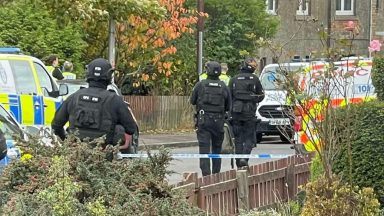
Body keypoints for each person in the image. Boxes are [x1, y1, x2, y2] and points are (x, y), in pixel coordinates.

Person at [51, 58, 137, 148]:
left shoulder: (74, 97)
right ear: (109, 76)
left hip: (75, 153)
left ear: (88, 74)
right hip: (103, 155)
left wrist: (67, 141)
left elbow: (56, 126)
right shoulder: (115, 100)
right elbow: (131, 128)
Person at [190, 61, 231, 176]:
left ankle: (206, 175)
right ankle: (216, 175)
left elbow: (192, 101)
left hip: (204, 121)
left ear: (207, 70)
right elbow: (229, 106)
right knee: (217, 149)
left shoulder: (200, 84)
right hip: (219, 121)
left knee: (204, 149)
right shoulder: (223, 86)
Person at [229, 57, 264, 168]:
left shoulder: (234, 79)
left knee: (238, 139)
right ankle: (245, 158)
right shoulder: (255, 79)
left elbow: (229, 96)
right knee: (249, 137)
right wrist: (254, 100)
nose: (255, 68)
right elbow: (261, 95)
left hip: (236, 113)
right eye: (254, 66)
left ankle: (239, 161)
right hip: (249, 112)